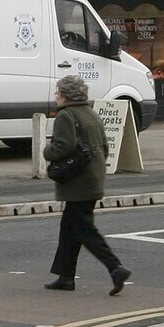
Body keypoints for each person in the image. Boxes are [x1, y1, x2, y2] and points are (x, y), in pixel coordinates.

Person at [42, 75, 130, 295]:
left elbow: (63, 146)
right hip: (93, 178)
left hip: (77, 182)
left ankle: (115, 267)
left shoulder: (65, 116)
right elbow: (105, 146)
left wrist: (46, 151)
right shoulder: (90, 113)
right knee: (69, 229)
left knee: (83, 229)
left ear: (64, 95)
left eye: (58, 92)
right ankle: (66, 277)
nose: (56, 96)